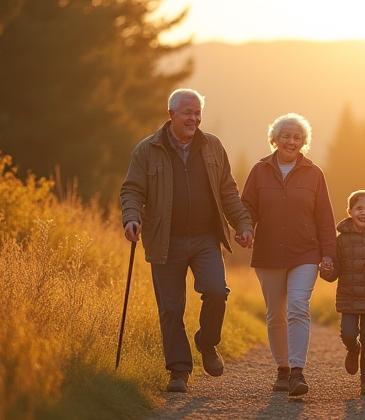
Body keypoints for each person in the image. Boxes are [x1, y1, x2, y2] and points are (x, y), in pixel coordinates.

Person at [120, 88, 253, 393]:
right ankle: (178, 372)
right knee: (170, 308)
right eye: (187, 113)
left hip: (206, 238)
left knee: (217, 291)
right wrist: (131, 217)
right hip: (165, 240)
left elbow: (228, 191)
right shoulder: (147, 150)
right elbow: (131, 190)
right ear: (171, 115)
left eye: (197, 113)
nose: (194, 118)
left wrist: (243, 224)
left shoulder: (212, 146)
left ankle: (207, 343)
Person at [241, 113, 336, 397]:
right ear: (275, 138)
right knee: (275, 315)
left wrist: (328, 254)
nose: (291, 141)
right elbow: (247, 207)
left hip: (305, 252)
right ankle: (282, 369)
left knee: (297, 305)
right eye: (286, 136)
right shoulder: (259, 171)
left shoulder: (314, 174)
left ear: (303, 142)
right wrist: (245, 228)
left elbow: (325, 218)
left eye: (297, 137)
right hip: (268, 252)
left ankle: (297, 372)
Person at [319, 190, 365, 396]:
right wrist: (325, 270)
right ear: (350, 211)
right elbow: (334, 270)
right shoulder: (341, 239)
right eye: (359, 208)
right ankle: (353, 349)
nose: (364, 212)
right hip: (348, 296)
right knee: (349, 334)